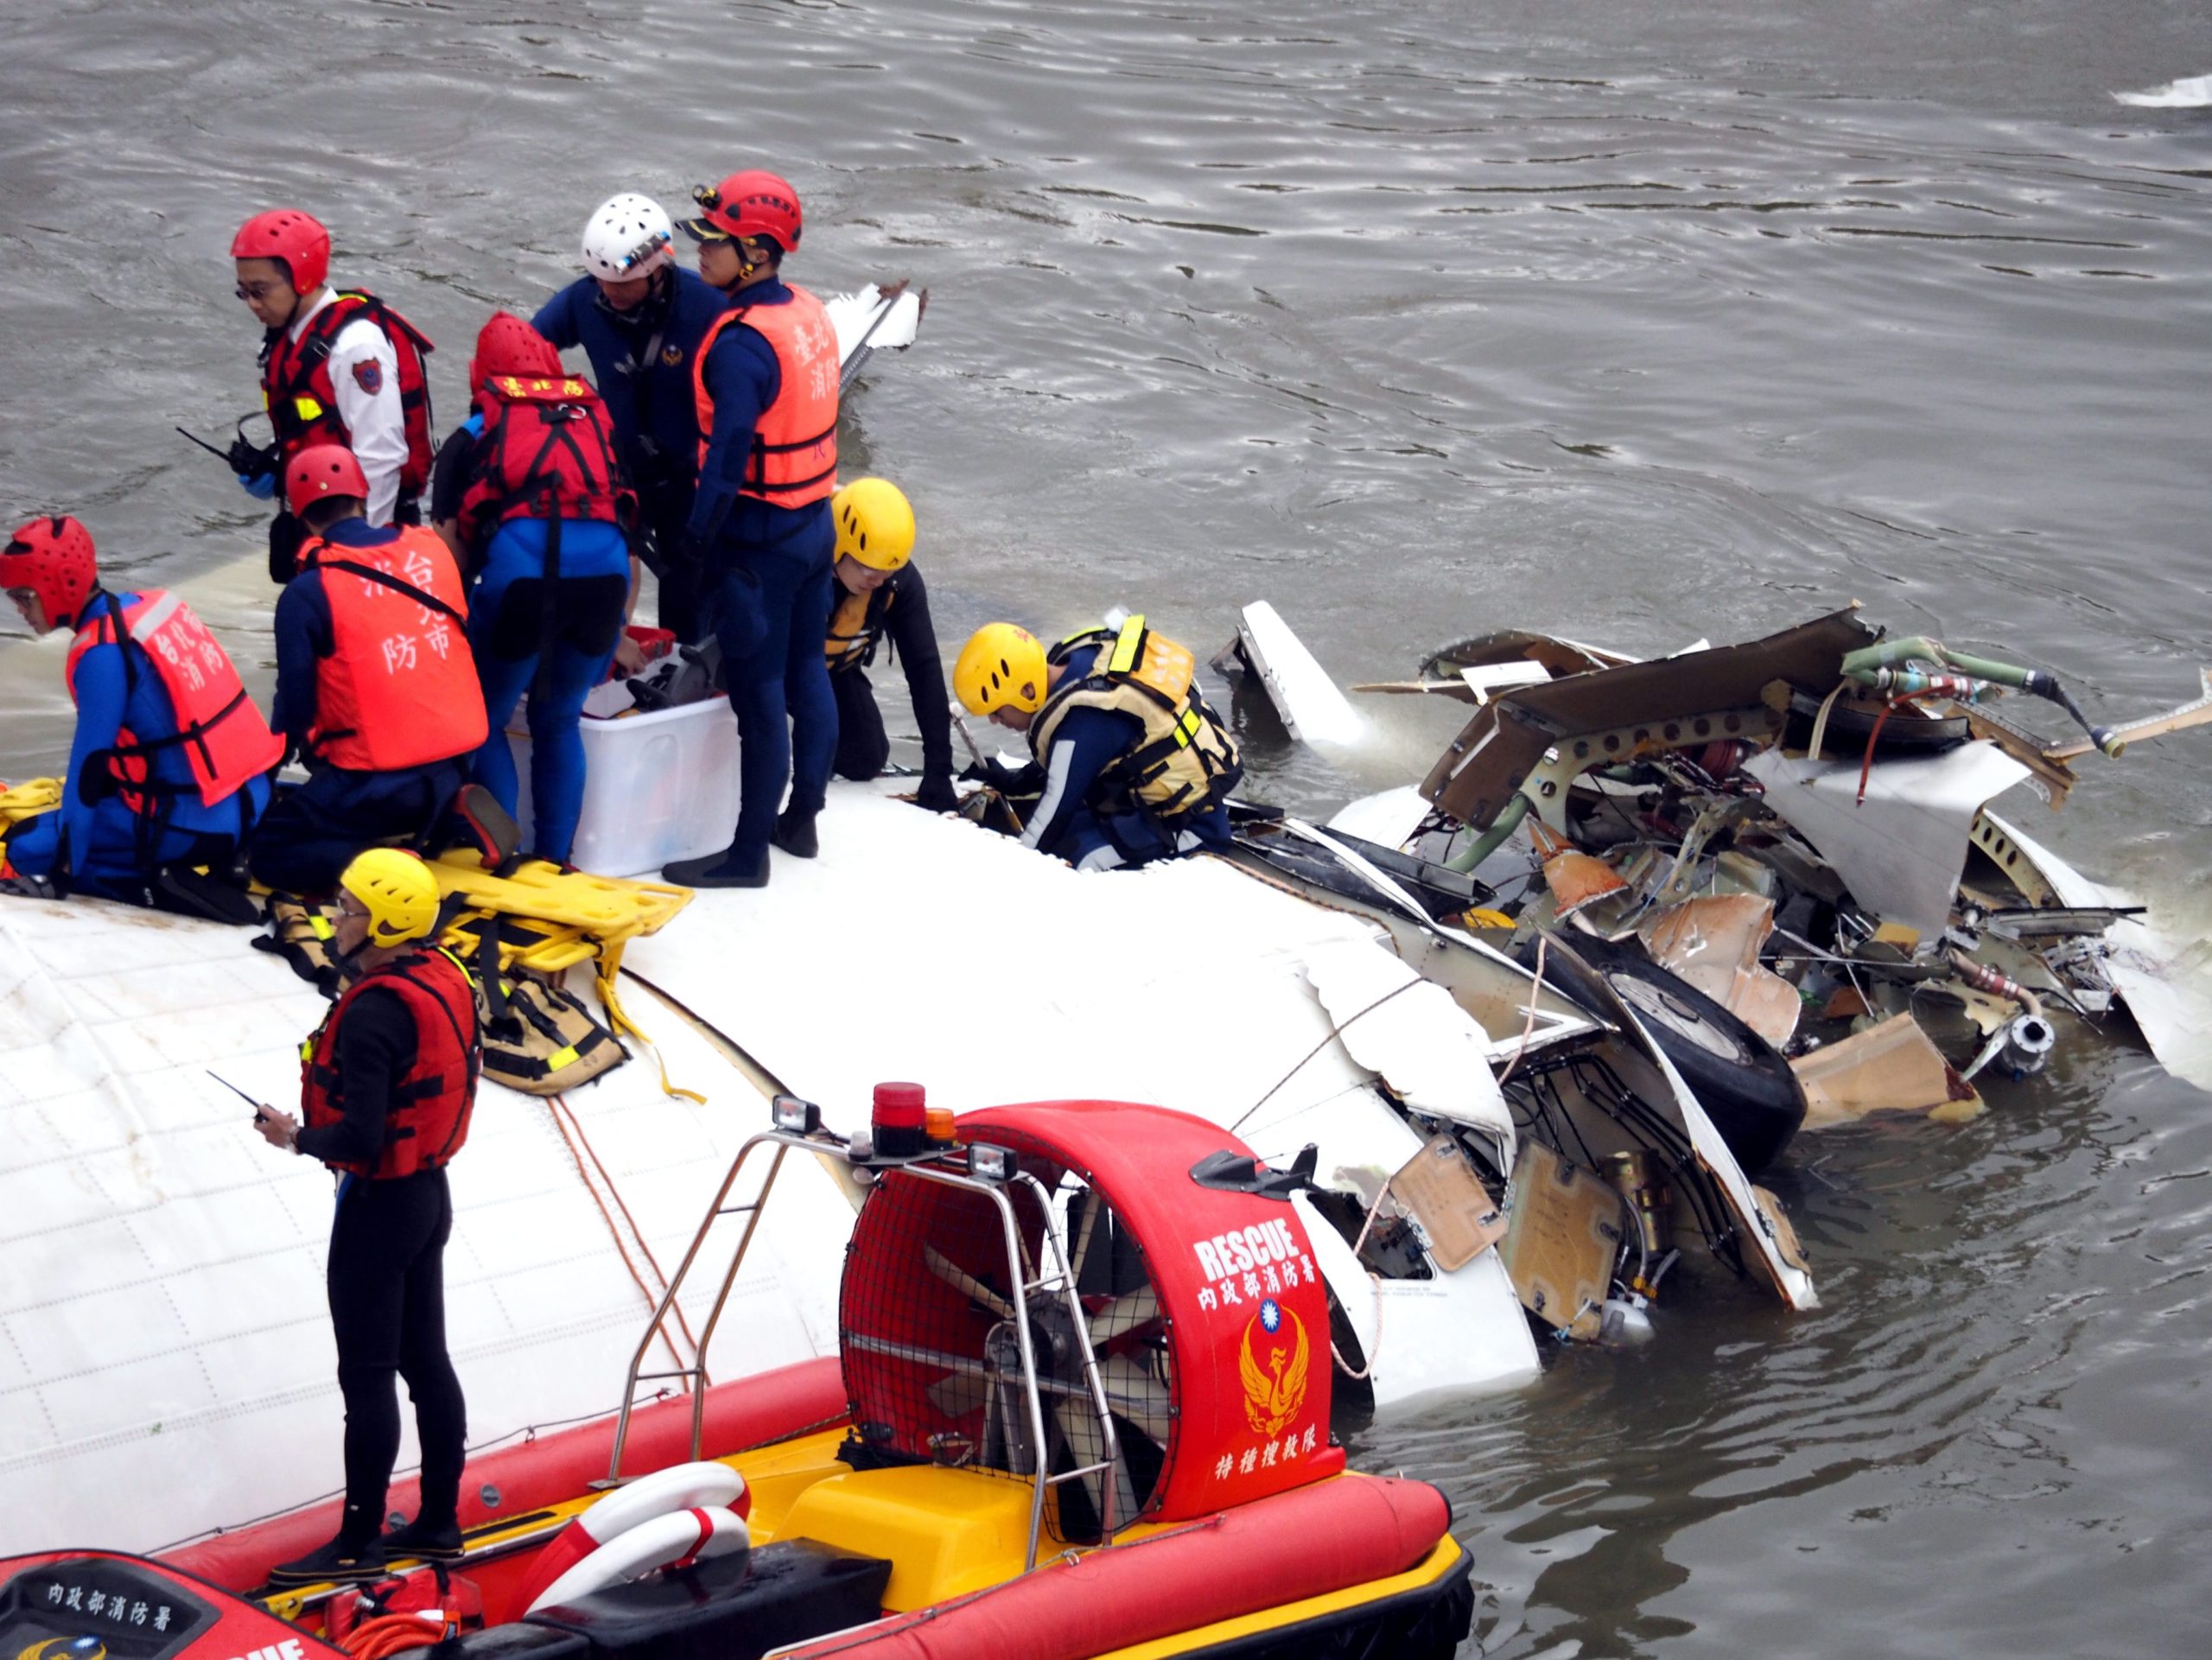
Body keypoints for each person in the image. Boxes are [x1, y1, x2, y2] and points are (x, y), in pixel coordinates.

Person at [254, 849, 478, 1584]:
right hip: (428, 1195)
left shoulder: (375, 1014)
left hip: (380, 1209)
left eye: (348, 909)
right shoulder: (439, 974)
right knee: (427, 1363)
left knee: (369, 1375)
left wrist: (293, 1137)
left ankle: (358, 1540)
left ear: (382, 925)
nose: (334, 918)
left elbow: (360, 1137)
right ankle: (441, 1522)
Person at [659, 170, 840, 889]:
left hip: (757, 549)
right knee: (809, 671)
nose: (699, 252)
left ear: (758, 254)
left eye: (715, 242)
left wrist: (694, 540)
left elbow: (728, 457)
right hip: (816, 527)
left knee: (760, 702)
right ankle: (803, 819)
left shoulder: (738, 345)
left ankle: (746, 855)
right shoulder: (807, 311)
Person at [429, 312, 634, 866]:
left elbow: (449, 553)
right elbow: (628, 532)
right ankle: (558, 857)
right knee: (559, 719)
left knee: (484, 721)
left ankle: (503, 855)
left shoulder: (472, 435)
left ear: (480, 375)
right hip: (608, 579)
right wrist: (617, 631)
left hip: (523, 580)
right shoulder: (593, 420)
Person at [0, 516, 281, 910]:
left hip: (196, 826)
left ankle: (156, 887)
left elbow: (88, 775)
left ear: (59, 584)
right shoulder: (146, 610)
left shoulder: (100, 655)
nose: (19, 609)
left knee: (24, 846)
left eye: (24, 597)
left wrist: (61, 874)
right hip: (251, 803)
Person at [251, 446, 488, 895]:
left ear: (300, 518)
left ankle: (376, 862)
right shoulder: (431, 553)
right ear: (363, 497)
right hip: (458, 764)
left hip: (375, 788)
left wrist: (261, 780)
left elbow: (295, 709)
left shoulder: (307, 593)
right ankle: (449, 817)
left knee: (270, 846)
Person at [532, 193, 727, 646]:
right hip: (619, 477)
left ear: (659, 268)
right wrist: (566, 415)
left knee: (686, 606)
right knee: (604, 587)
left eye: (621, 281)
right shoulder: (586, 301)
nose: (608, 291)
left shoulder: (707, 308)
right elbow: (526, 348)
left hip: (687, 484)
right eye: (598, 279)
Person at [232, 209, 436, 582]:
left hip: (372, 539)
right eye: (243, 292)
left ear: (303, 278)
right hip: (321, 533)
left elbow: (381, 456)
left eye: (260, 291)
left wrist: (356, 558)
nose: (252, 304)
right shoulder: (292, 336)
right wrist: (276, 471)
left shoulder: (356, 348)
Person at [952, 613, 1242, 871]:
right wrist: (1010, 782)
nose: (994, 721)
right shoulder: (1077, 661)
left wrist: (1004, 875)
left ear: (1027, 690)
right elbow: (1072, 765)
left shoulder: (1083, 722)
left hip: (1191, 828)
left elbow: (1048, 821)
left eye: (997, 712)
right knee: (1070, 825)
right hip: (1150, 806)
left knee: (1075, 856)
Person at [817, 478, 957, 813]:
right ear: (838, 545)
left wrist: (939, 768)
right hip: (770, 668)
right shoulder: (799, 558)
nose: (876, 581)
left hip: (834, 670)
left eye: (887, 570)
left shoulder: (896, 583)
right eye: (867, 568)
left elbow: (924, 670)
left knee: (866, 759)